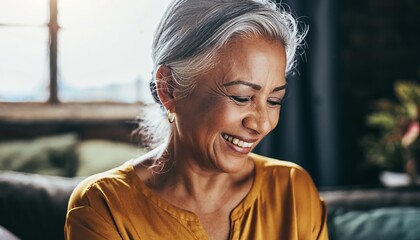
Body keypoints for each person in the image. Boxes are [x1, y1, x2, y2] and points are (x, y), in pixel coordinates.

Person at [64, 0, 328, 239]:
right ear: (169, 88)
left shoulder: (293, 191)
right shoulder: (102, 206)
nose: (261, 124)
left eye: (274, 101)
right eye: (241, 97)